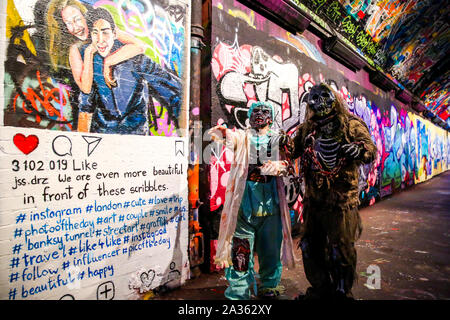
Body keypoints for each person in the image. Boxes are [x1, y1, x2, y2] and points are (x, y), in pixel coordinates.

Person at [290, 83, 377, 300]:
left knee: (341, 249)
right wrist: (281, 141)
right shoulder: (308, 128)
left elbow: (370, 149)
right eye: (314, 97)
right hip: (314, 200)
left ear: (334, 99)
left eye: (324, 96)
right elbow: (293, 149)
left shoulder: (350, 124)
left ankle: (341, 291)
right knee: (310, 246)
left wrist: (359, 149)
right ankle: (320, 288)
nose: (319, 102)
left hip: (341, 201)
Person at [208, 101, 296, 300]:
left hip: (270, 206)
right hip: (243, 207)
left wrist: (275, 167)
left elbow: (289, 165)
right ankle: (239, 291)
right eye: (256, 111)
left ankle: (269, 285)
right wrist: (222, 133)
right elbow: (226, 138)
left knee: (271, 250)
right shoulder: (242, 136)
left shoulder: (278, 139)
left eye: (265, 112)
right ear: (249, 115)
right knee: (240, 251)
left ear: (271, 118)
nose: (260, 114)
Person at [77, 7, 181, 134]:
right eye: (95, 33)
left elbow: (173, 90)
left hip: (135, 136)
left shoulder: (136, 60)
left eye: (105, 32)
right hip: (102, 137)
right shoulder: (92, 62)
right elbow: (85, 107)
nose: (100, 39)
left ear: (114, 34)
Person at [44, 0, 144, 93]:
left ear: (86, 16)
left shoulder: (104, 27)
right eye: (68, 23)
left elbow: (139, 46)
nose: (75, 28)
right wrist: (89, 52)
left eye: (77, 19)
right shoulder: (75, 49)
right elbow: (85, 88)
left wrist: (109, 61)